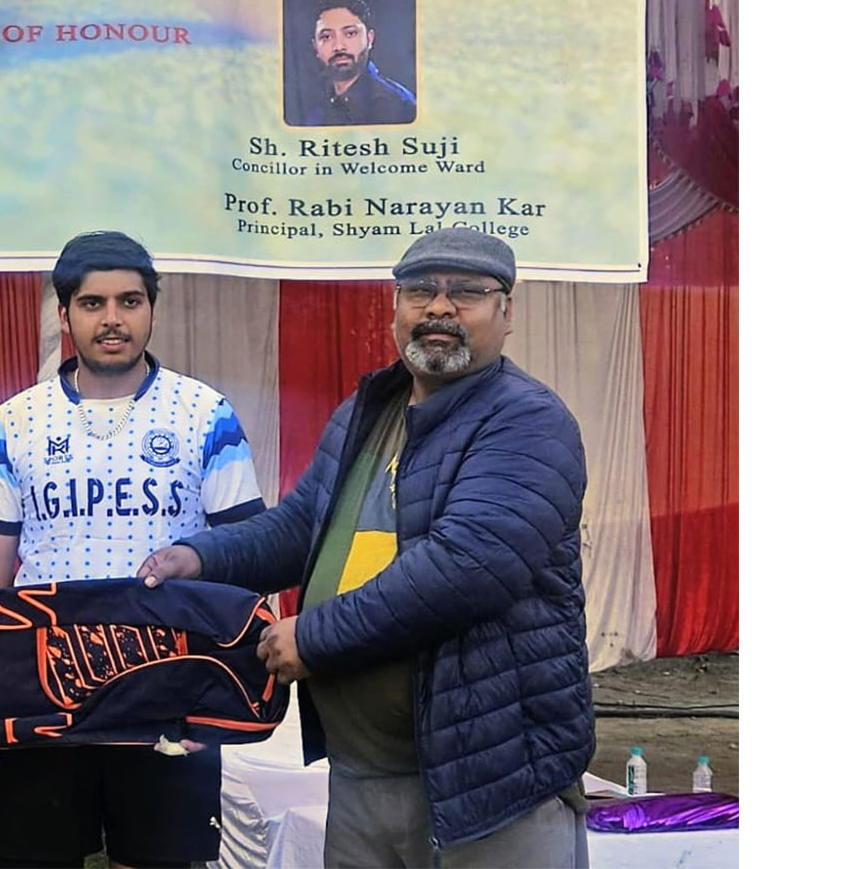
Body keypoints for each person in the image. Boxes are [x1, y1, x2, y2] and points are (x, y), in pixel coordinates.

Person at [139, 228, 592, 869]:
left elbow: (467, 569)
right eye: (420, 291)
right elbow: (303, 527)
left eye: (466, 292)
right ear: (395, 305)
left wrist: (314, 638)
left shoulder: (525, 421)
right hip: (361, 780)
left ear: (507, 312)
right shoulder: (368, 409)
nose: (439, 308)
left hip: (488, 783)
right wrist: (202, 556)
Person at [0, 231, 267, 869]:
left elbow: (248, 557)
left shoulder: (205, 413)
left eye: (129, 301)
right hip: (41, 682)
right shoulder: (15, 420)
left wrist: (220, 685)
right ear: (64, 313)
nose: (111, 319)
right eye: (93, 303)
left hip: (166, 687)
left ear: (152, 309)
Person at [295, 0, 416, 125]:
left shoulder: (401, 109)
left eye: (350, 33)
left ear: (369, 39)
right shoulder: (315, 115)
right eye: (327, 36)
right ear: (315, 46)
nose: (339, 46)